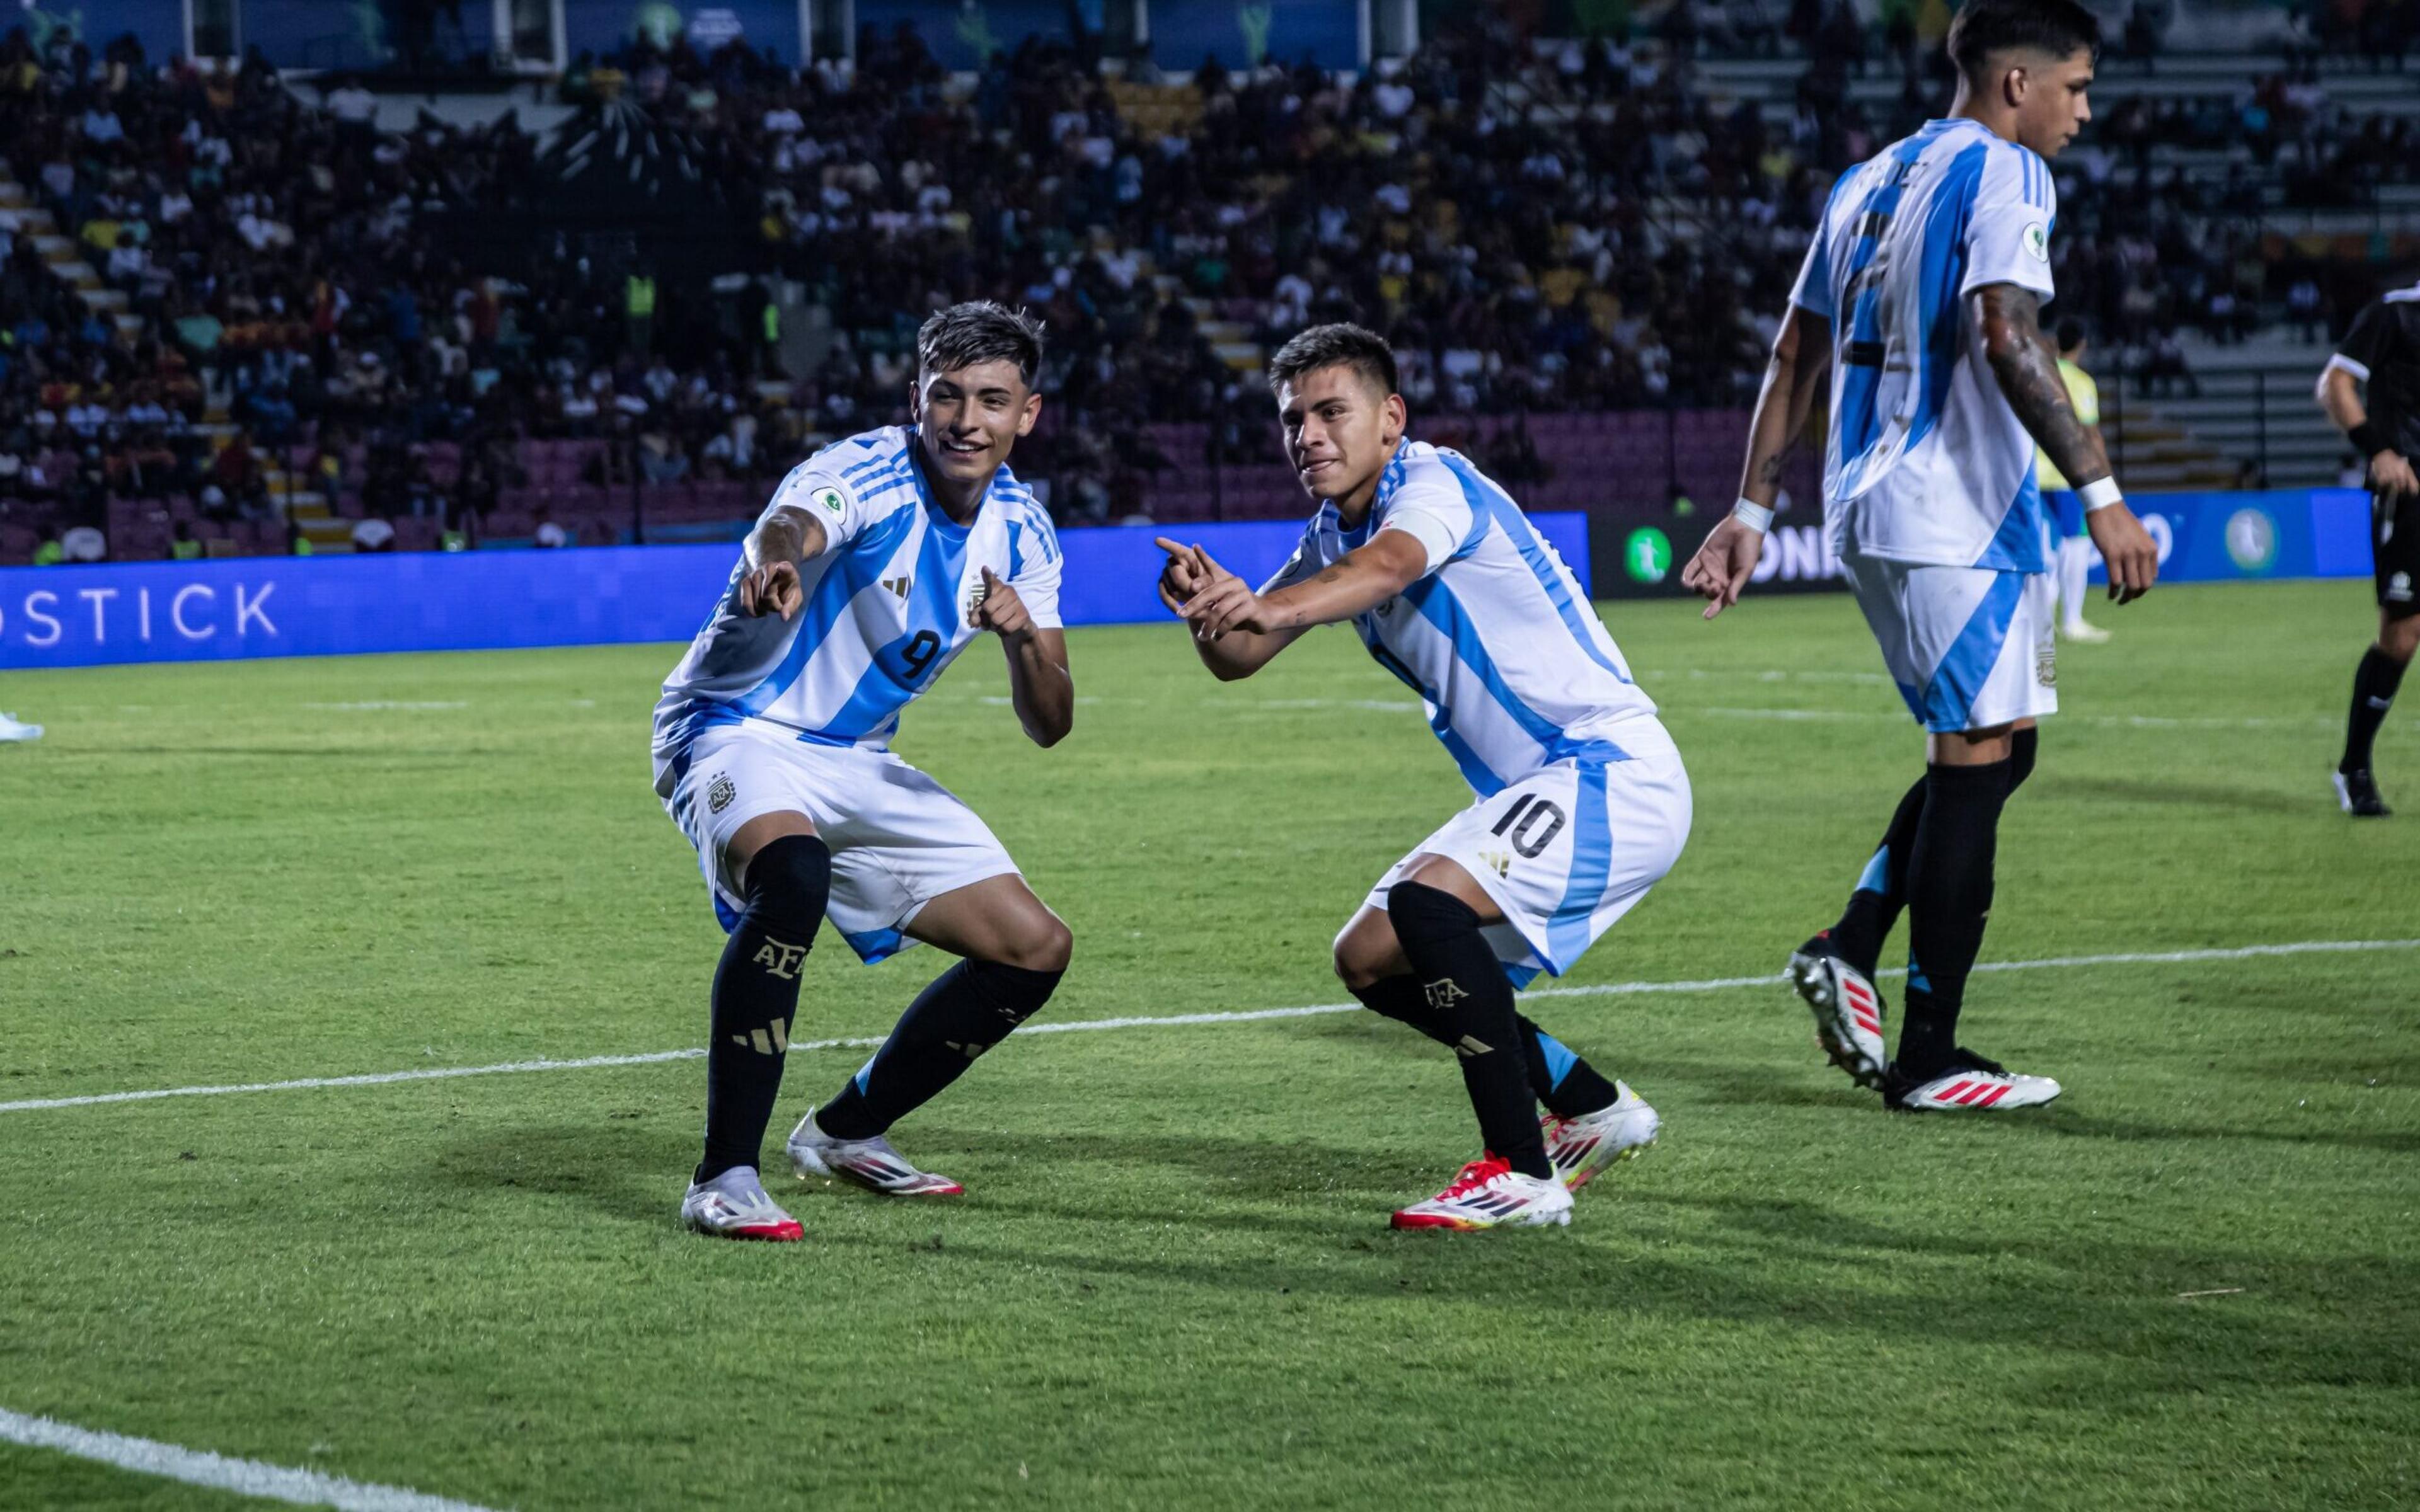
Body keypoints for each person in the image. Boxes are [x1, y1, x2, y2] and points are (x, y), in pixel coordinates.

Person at [1680, 0, 2159, 1114]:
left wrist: (1754, 507)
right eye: (2076, 88)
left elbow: (1793, 349)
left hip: (1871, 501)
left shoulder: (1866, 180)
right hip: (1951, 512)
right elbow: (2008, 332)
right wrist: (2104, 496)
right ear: (2015, 87)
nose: (2085, 112)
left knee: (2000, 751)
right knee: (1978, 760)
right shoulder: (2008, 174)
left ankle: (1851, 946)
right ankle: (1928, 1056)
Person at [1159, 324, 1688, 1232]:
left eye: (1332, 412)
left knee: (1427, 908)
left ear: (1390, 418)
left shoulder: (1432, 486)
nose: (1309, 436)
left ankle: (1519, 1172)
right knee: (1368, 957)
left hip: (1609, 770)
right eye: (1294, 420)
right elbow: (1243, 657)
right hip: (1545, 788)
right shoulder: (1332, 529)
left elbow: (1391, 567)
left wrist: (1268, 599)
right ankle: (1594, 1110)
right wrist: (1213, 611)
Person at [652, 303, 1075, 1242]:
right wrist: (780, 566)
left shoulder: (1026, 533)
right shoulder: (863, 471)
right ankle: (724, 1176)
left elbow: (1052, 722)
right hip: (733, 728)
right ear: (917, 399)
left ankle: (844, 1132)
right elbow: (795, 525)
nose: (967, 419)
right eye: (947, 396)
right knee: (792, 876)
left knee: (1034, 948)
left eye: (992, 400)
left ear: (1028, 414)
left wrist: (1020, 643)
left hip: (854, 761)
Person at [2316, 275, 2420, 817]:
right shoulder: (2394, 314)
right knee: (2401, 638)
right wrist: (2379, 451)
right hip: (2410, 493)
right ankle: (2354, 767)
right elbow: (2334, 385)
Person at [2039, 319, 2110, 642]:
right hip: (2066, 477)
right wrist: (2105, 479)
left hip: (2031, 476)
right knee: (2077, 544)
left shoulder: (2039, 374)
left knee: (2042, 550)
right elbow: (2091, 435)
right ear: (2082, 345)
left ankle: (2040, 618)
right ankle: (2071, 620)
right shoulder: (2081, 383)